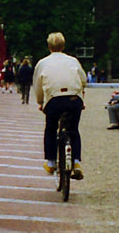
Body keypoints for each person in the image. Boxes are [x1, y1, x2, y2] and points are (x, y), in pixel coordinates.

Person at [34, 32, 87, 179]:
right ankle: (76, 162)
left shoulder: (42, 63)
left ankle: (51, 162)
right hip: (73, 99)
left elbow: (38, 86)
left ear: (49, 46)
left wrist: (40, 102)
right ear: (63, 46)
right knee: (73, 130)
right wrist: (81, 97)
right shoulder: (73, 61)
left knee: (50, 128)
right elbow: (83, 80)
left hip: (54, 100)